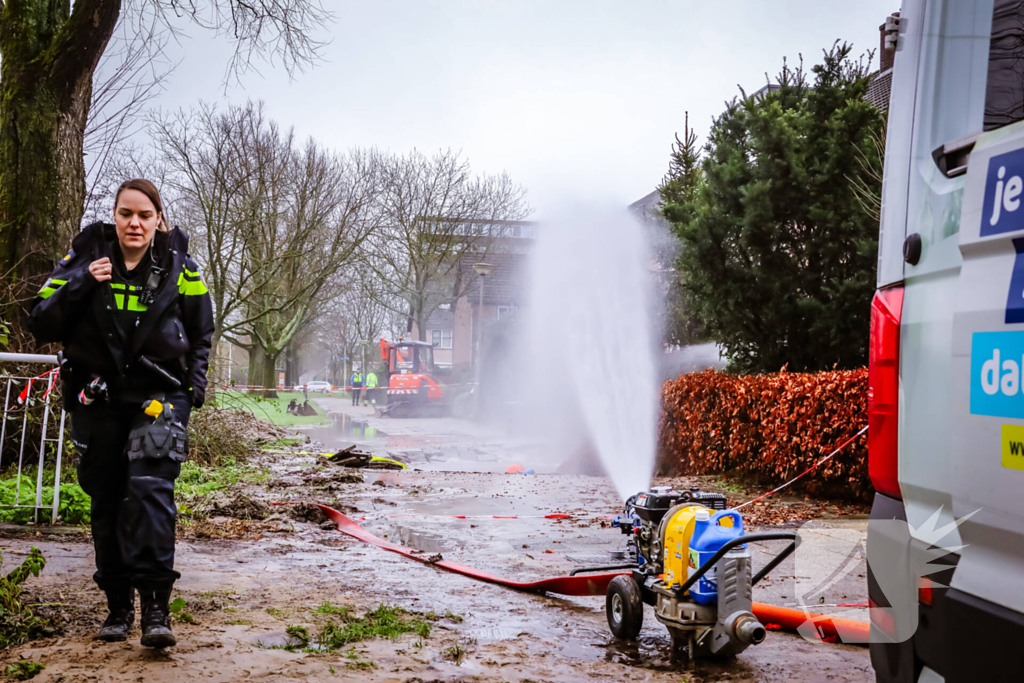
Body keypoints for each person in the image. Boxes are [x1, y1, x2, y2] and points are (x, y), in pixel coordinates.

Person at [30, 179, 214, 649]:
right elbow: (41, 321)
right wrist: (83, 282)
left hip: (160, 397)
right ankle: (118, 607)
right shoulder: (85, 258)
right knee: (108, 497)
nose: (135, 223)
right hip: (99, 398)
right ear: (114, 215)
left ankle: (156, 609)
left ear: (158, 220)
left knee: (150, 490)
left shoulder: (180, 266)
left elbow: (201, 331)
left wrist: (193, 390)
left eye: (145, 215)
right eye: (126, 213)